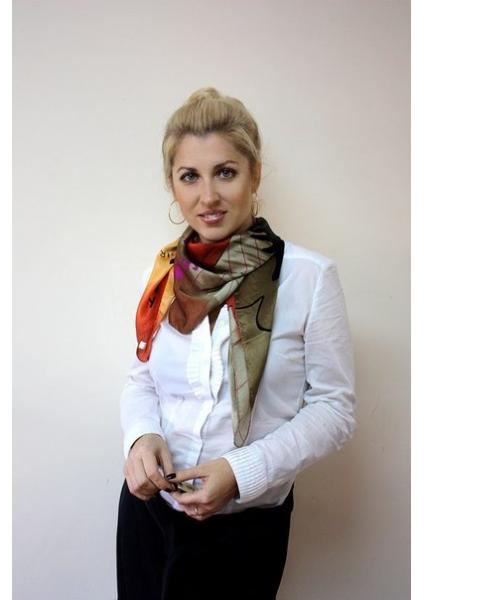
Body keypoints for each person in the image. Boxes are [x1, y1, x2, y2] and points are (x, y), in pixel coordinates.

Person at [116, 87, 356, 600]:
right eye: (190, 176)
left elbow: (334, 408)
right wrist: (141, 437)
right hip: (149, 515)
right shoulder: (163, 275)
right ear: (172, 185)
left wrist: (241, 471)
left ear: (255, 175)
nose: (208, 196)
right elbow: (142, 380)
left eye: (225, 172)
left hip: (245, 531)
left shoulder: (309, 278)